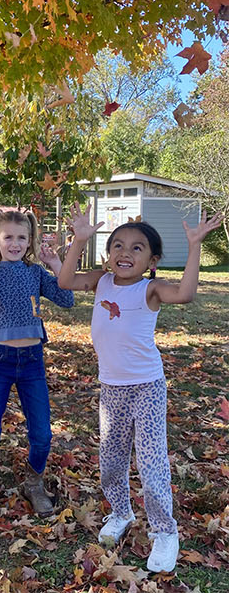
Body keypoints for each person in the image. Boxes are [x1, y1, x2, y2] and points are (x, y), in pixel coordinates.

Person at [55, 205, 224, 573]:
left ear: (152, 260)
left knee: (151, 466)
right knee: (110, 464)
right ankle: (121, 512)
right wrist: (78, 241)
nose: (124, 253)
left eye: (136, 248)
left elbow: (186, 294)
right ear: (107, 253)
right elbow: (65, 282)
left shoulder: (151, 289)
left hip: (146, 387)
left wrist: (194, 245)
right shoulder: (100, 280)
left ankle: (166, 532)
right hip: (110, 390)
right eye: (117, 245)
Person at [0, 210, 73, 517]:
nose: (15, 243)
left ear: (30, 240)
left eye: (22, 237)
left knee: (42, 434)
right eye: (8, 237)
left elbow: (67, 299)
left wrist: (56, 265)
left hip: (32, 361)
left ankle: (34, 483)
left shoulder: (35, 273)